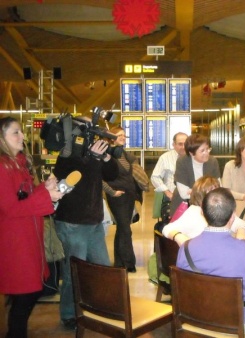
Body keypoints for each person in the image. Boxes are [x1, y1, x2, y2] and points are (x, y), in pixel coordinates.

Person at [176, 187, 245, 333]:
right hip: (238, 322)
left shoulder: (185, 248)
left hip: (197, 318)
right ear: (233, 216)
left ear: (202, 213)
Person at [0, 117, 63, 338]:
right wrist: (46, 195)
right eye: (16, 133)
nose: (22, 137)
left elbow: (24, 197)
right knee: (25, 293)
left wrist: (44, 188)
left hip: (27, 235)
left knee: (29, 292)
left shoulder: (17, 162)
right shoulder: (2, 166)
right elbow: (10, 209)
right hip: (15, 240)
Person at [53, 137, 119, 330]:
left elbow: (113, 174)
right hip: (72, 222)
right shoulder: (68, 153)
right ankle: (69, 314)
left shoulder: (96, 155)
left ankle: (98, 308)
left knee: (101, 268)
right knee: (73, 271)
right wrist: (91, 157)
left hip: (94, 222)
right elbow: (68, 176)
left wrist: (105, 158)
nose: (94, 136)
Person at [102, 126, 149, 273]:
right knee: (125, 229)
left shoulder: (125, 154)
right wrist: (112, 192)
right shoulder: (106, 155)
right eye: (119, 135)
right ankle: (129, 263)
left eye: (124, 135)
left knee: (123, 229)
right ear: (111, 138)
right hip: (117, 197)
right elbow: (99, 178)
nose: (123, 137)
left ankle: (119, 263)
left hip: (128, 197)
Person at [163, 176, 245, 245]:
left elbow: (240, 223)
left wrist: (241, 234)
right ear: (200, 195)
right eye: (211, 192)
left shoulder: (220, 208)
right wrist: (181, 238)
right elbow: (167, 229)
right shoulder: (194, 212)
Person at [170, 133, 220, 217]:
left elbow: (218, 187)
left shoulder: (212, 161)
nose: (206, 153)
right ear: (191, 153)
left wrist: (193, 191)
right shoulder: (182, 162)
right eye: (202, 151)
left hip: (208, 205)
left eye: (208, 149)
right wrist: (205, 191)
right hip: (184, 205)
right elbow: (183, 193)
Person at [151, 132, 188, 200]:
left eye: (185, 144)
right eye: (180, 144)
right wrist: (167, 192)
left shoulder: (194, 157)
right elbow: (155, 177)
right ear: (173, 144)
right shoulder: (165, 157)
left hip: (190, 198)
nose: (183, 147)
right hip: (172, 198)